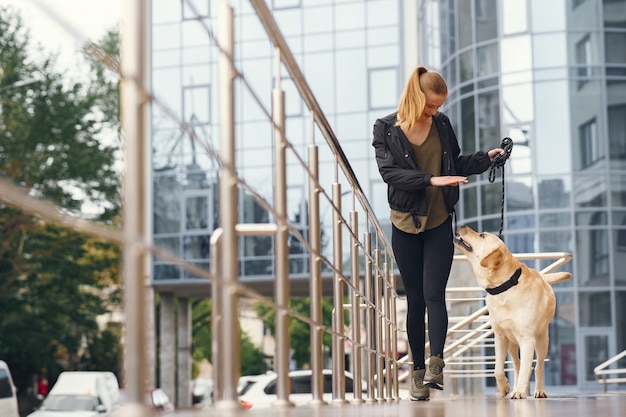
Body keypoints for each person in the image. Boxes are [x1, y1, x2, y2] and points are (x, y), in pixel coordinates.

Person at [372, 66, 505, 401]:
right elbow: (390, 173)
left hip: (438, 221)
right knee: (415, 300)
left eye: (438, 107)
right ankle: (416, 373)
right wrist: (430, 180)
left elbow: (454, 165)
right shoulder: (385, 128)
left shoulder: (442, 124)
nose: (434, 113)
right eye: (430, 106)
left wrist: (485, 160)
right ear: (416, 98)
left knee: (435, 295)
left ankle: (435, 363)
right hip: (405, 224)